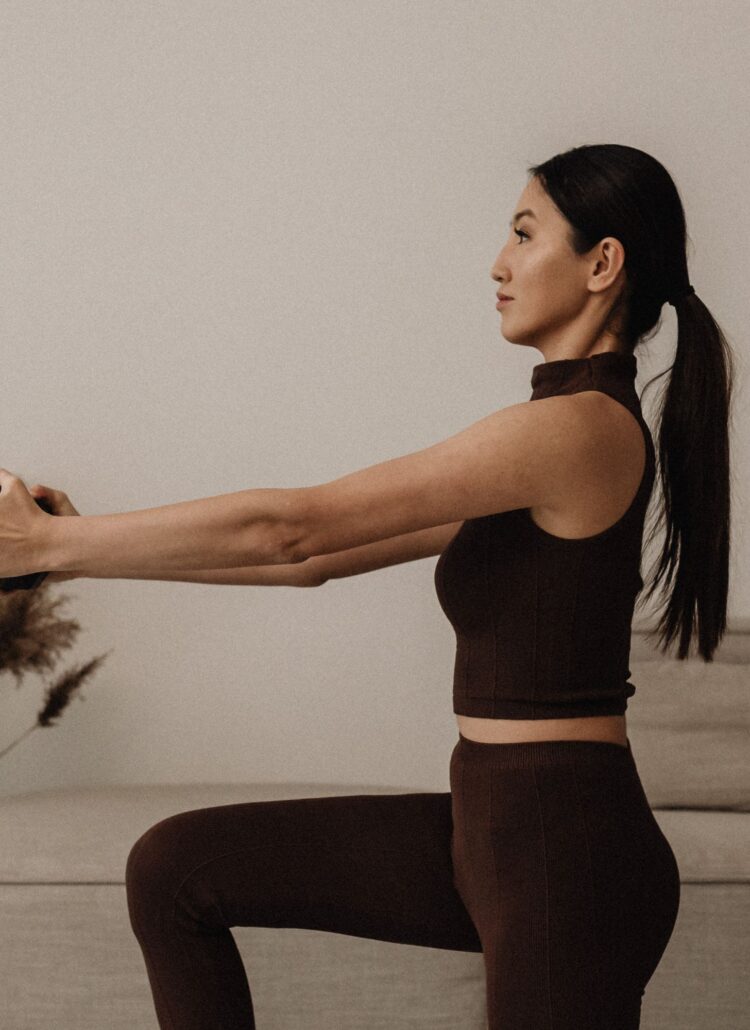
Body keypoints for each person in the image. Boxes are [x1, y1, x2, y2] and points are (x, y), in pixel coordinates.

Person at [2, 143, 734, 1028]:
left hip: (563, 851)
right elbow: (306, 561)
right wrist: (64, 552)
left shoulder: (576, 432)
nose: (497, 263)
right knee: (175, 870)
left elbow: (293, 524)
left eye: (523, 232)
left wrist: (55, 539)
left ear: (601, 264)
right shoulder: (545, 443)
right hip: (490, 826)